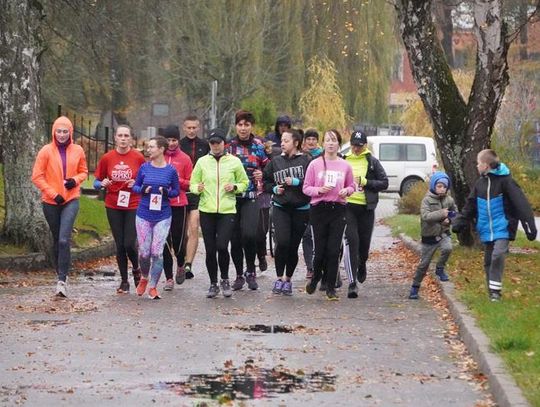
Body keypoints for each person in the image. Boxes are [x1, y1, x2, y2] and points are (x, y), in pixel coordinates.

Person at [452, 149, 537, 302]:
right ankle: (492, 291)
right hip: (486, 229)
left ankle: (495, 292)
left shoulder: (506, 181)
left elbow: (521, 204)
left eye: (478, 163)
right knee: (488, 260)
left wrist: (529, 225)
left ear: (485, 165)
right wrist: (460, 221)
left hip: (503, 227)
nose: (477, 166)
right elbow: (470, 205)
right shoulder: (480, 184)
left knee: (498, 254)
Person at [32, 116, 88, 297]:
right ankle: (60, 272)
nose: (62, 135)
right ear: (54, 132)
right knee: (57, 240)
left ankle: (62, 280)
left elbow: (84, 172)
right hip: (51, 202)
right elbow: (37, 176)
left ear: (70, 132)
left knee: (64, 239)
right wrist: (52, 193)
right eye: (59, 131)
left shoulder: (78, 150)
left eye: (65, 131)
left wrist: (75, 180)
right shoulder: (46, 151)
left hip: (71, 199)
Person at [190, 129, 249, 298]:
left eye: (218, 142)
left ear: (224, 143)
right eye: (212, 143)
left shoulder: (234, 162)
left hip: (227, 210)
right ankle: (213, 283)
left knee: (222, 246)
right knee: (210, 249)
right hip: (207, 209)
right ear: (209, 144)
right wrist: (197, 188)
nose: (215, 146)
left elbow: (244, 182)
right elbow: (193, 184)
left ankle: (225, 279)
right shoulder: (202, 162)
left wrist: (235, 187)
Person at [302, 130, 355, 300]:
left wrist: (346, 190)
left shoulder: (345, 165)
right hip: (319, 209)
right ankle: (315, 278)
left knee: (333, 250)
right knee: (320, 251)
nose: (331, 144)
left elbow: (352, 185)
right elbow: (306, 188)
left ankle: (331, 287)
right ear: (322, 144)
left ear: (339, 144)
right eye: (327, 140)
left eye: (334, 140)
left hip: (338, 209)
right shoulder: (315, 164)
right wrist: (319, 190)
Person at [94, 124, 146, 294]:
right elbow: (96, 181)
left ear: (131, 138)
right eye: (120, 136)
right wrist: (102, 183)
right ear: (115, 138)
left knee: (129, 243)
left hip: (133, 204)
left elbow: (147, 181)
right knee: (120, 245)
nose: (123, 139)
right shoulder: (107, 158)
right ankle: (124, 280)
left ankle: (136, 269)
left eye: (126, 136)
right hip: (113, 204)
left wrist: (136, 183)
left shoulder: (138, 158)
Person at [263, 129, 311, 295]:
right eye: (281, 140)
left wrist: (297, 181)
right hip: (281, 207)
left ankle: (287, 279)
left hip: (301, 209)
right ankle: (278, 278)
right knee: (282, 243)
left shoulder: (306, 161)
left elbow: (312, 183)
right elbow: (266, 182)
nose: (282, 143)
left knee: (292, 246)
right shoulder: (275, 161)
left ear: (296, 143)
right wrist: (275, 188)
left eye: (286, 141)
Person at [132, 136, 180, 300]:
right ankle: (144, 277)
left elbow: (176, 191)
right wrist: (143, 189)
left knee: (157, 252)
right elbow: (135, 187)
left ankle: (153, 286)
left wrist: (166, 192)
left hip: (163, 215)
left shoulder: (171, 170)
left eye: (152, 147)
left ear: (161, 149)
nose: (148, 149)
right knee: (144, 253)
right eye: (148, 147)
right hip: (144, 214)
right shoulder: (144, 168)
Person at [343, 130, 388, 299]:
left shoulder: (372, 162)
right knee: (351, 242)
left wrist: (366, 182)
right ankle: (352, 283)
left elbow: (384, 183)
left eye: (359, 146)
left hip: (366, 208)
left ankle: (362, 263)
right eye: (354, 145)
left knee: (363, 246)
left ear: (365, 146)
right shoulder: (344, 159)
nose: (356, 149)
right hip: (348, 206)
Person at [227, 110, 269, 291]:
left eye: (246, 125)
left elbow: (269, 167)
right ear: (236, 126)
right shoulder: (229, 146)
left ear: (251, 126)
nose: (243, 128)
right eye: (240, 125)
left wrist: (263, 174)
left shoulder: (259, 146)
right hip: (231, 197)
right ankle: (238, 275)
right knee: (235, 239)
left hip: (252, 196)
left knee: (250, 234)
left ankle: (250, 270)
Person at [408, 172, 456, 300]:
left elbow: (454, 213)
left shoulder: (449, 200)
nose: (441, 189)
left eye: (444, 187)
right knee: (424, 264)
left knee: (448, 248)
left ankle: (440, 268)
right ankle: (415, 286)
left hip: (443, 233)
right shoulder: (427, 200)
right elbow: (426, 217)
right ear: (434, 186)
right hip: (429, 237)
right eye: (439, 186)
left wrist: (449, 220)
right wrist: (441, 213)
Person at [161, 125, 193, 291]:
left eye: (174, 140)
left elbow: (190, 182)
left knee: (178, 241)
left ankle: (181, 263)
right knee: (164, 242)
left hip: (179, 204)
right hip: (161, 204)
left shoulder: (185, 159)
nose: (171, 143)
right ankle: (168, 278)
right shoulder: (158, 157)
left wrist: (176, 180)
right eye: (168, 140)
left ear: (178, 141)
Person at [179, 115, 209, 280]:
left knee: (193, 227)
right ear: (184, 128)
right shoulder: (179, 145)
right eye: (188, 128)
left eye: (194, 128)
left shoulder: (205, 145)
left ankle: (189, 264)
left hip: (198, 192)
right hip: (181, 191)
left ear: (198, 128)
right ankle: (181, 260)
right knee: (181, 233)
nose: (191, 130)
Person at [301, 129, 323, 279]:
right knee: (307, 234)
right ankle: (310, 266)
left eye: (313, 139)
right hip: (304, 201)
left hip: (320, 200)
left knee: (319, 234)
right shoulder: (300, 156)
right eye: (308, 139)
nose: (311, 142)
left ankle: (321, 264)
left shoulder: (323, 156)